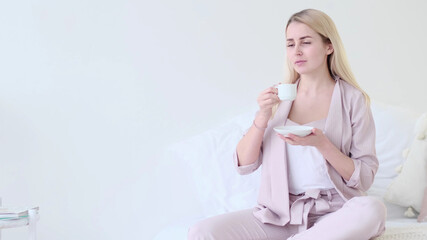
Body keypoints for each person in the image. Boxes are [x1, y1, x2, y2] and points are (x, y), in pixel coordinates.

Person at [188, 8, 386, 240]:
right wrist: (262, 117)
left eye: (306, 42)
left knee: (372, 209)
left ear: (328, 46)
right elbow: (244, 165)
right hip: (280, 215)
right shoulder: (279, 96)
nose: (297, 51)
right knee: (202, 232)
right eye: (290, 44)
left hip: (334, 214)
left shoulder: (353, 99)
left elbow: (364, 177)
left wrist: (323, 144)